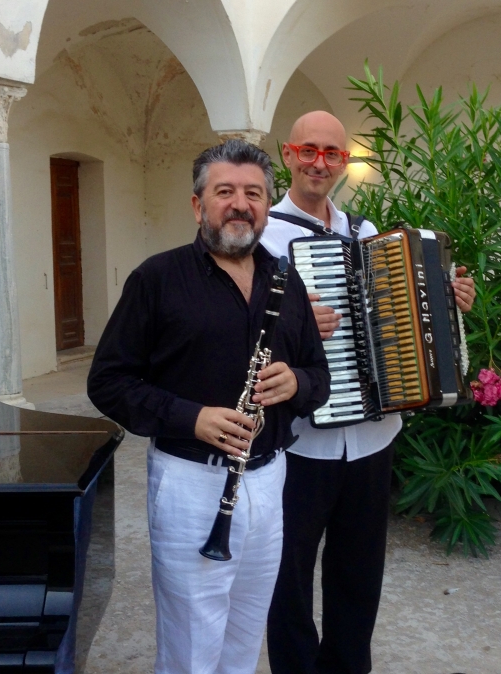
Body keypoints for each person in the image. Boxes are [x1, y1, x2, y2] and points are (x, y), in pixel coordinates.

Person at [87, 140, 330, 674]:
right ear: (198, 205)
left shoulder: (287, 283)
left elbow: (321, 377)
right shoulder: (157, 278)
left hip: (269, 481)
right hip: (189, 481)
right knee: (192, 647)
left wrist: (297, 382)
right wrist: (190, 416)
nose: (240, 204)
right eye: (225, 192)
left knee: (244, 636)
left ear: (267, 205)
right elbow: (108, 382)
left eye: (253, 193)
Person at [262, 111, 476, 674]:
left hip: (373, 437)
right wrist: (294, 321)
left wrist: (446, 298)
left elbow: (407, 313)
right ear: (288, 153)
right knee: (288, 576)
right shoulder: (261, 236)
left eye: (332, 153)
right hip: (299, 443)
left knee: (359, 575)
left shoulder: (364, 233)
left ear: (343, 162)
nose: (320, 162)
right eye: (309, 150)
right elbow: (234, 327)